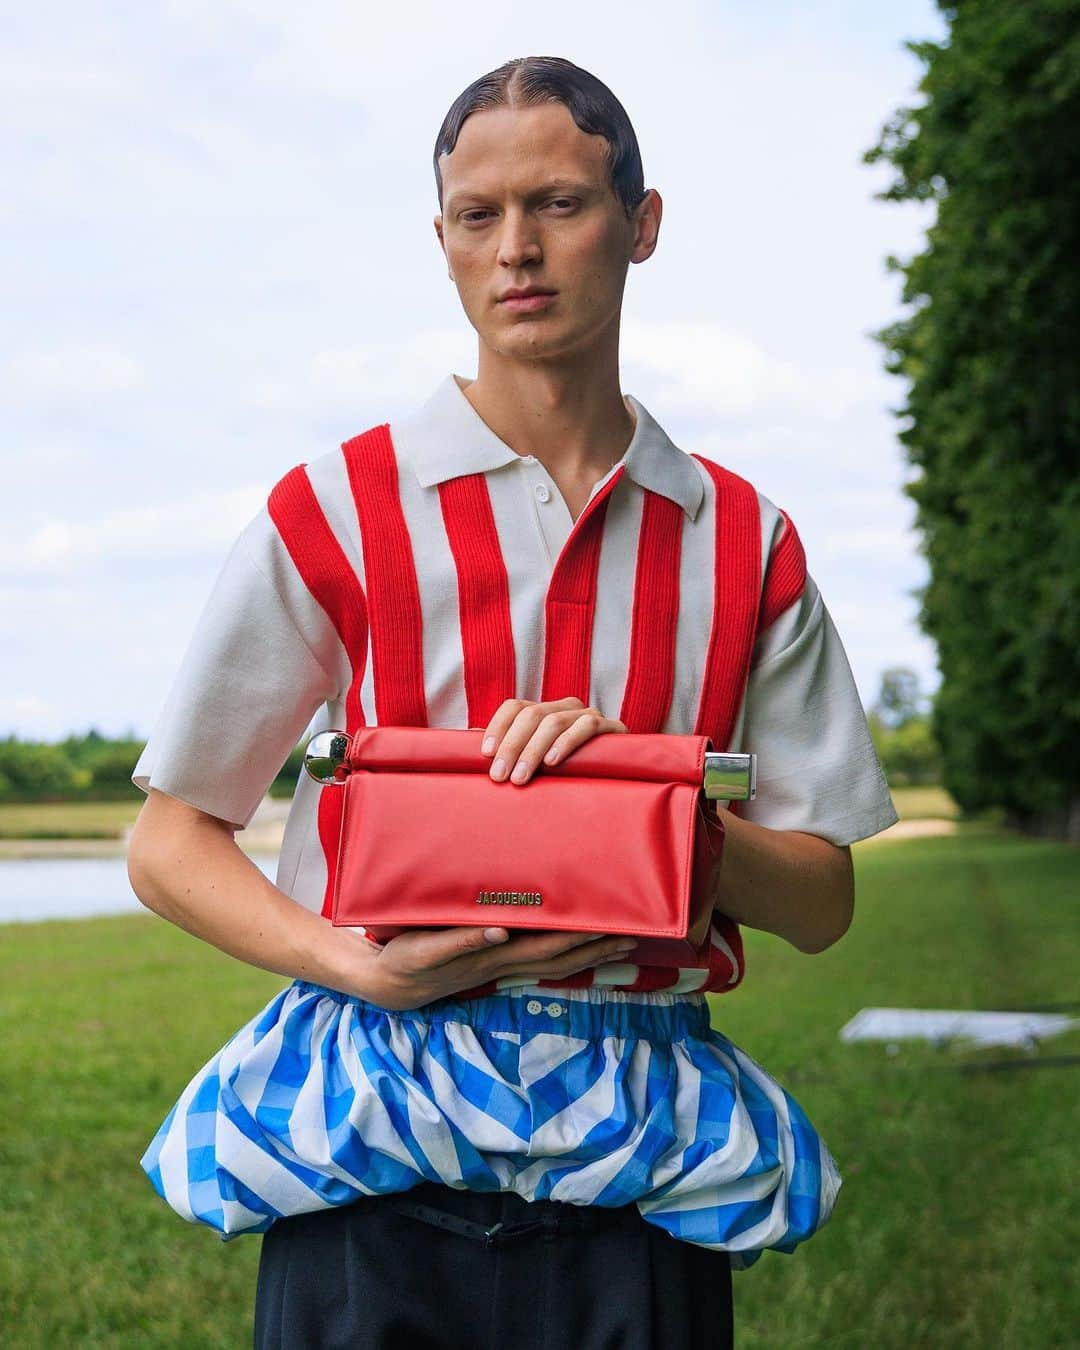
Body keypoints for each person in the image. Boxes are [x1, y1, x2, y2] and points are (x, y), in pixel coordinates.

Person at [127, 55, 900, 1349]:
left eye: (559, 203)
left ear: (643, 224)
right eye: (477, 217)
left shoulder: (743, 540)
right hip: (372, 1160)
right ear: (440, 241)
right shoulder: (337, 507)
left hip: (638, 1165)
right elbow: (168, 838)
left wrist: (641, 807)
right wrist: (351, 961)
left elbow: (822, 898)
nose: (516, 251)